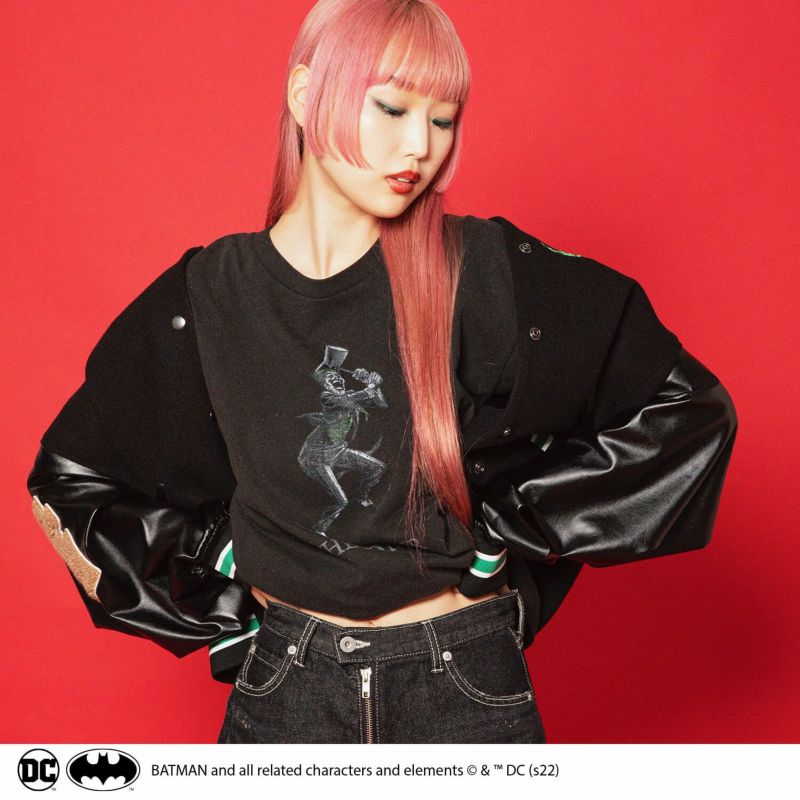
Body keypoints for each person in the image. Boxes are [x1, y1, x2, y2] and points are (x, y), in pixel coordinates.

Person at [26, 0, 738, 744]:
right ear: (306, 95)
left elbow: (686, 408)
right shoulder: (208, 295)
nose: (420, 146)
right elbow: (71, 481)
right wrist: (217, 563)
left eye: (443, 119)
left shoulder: (480, 271)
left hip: (462, 682)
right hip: (286, 687)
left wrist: (511, 527)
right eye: (393, 108)